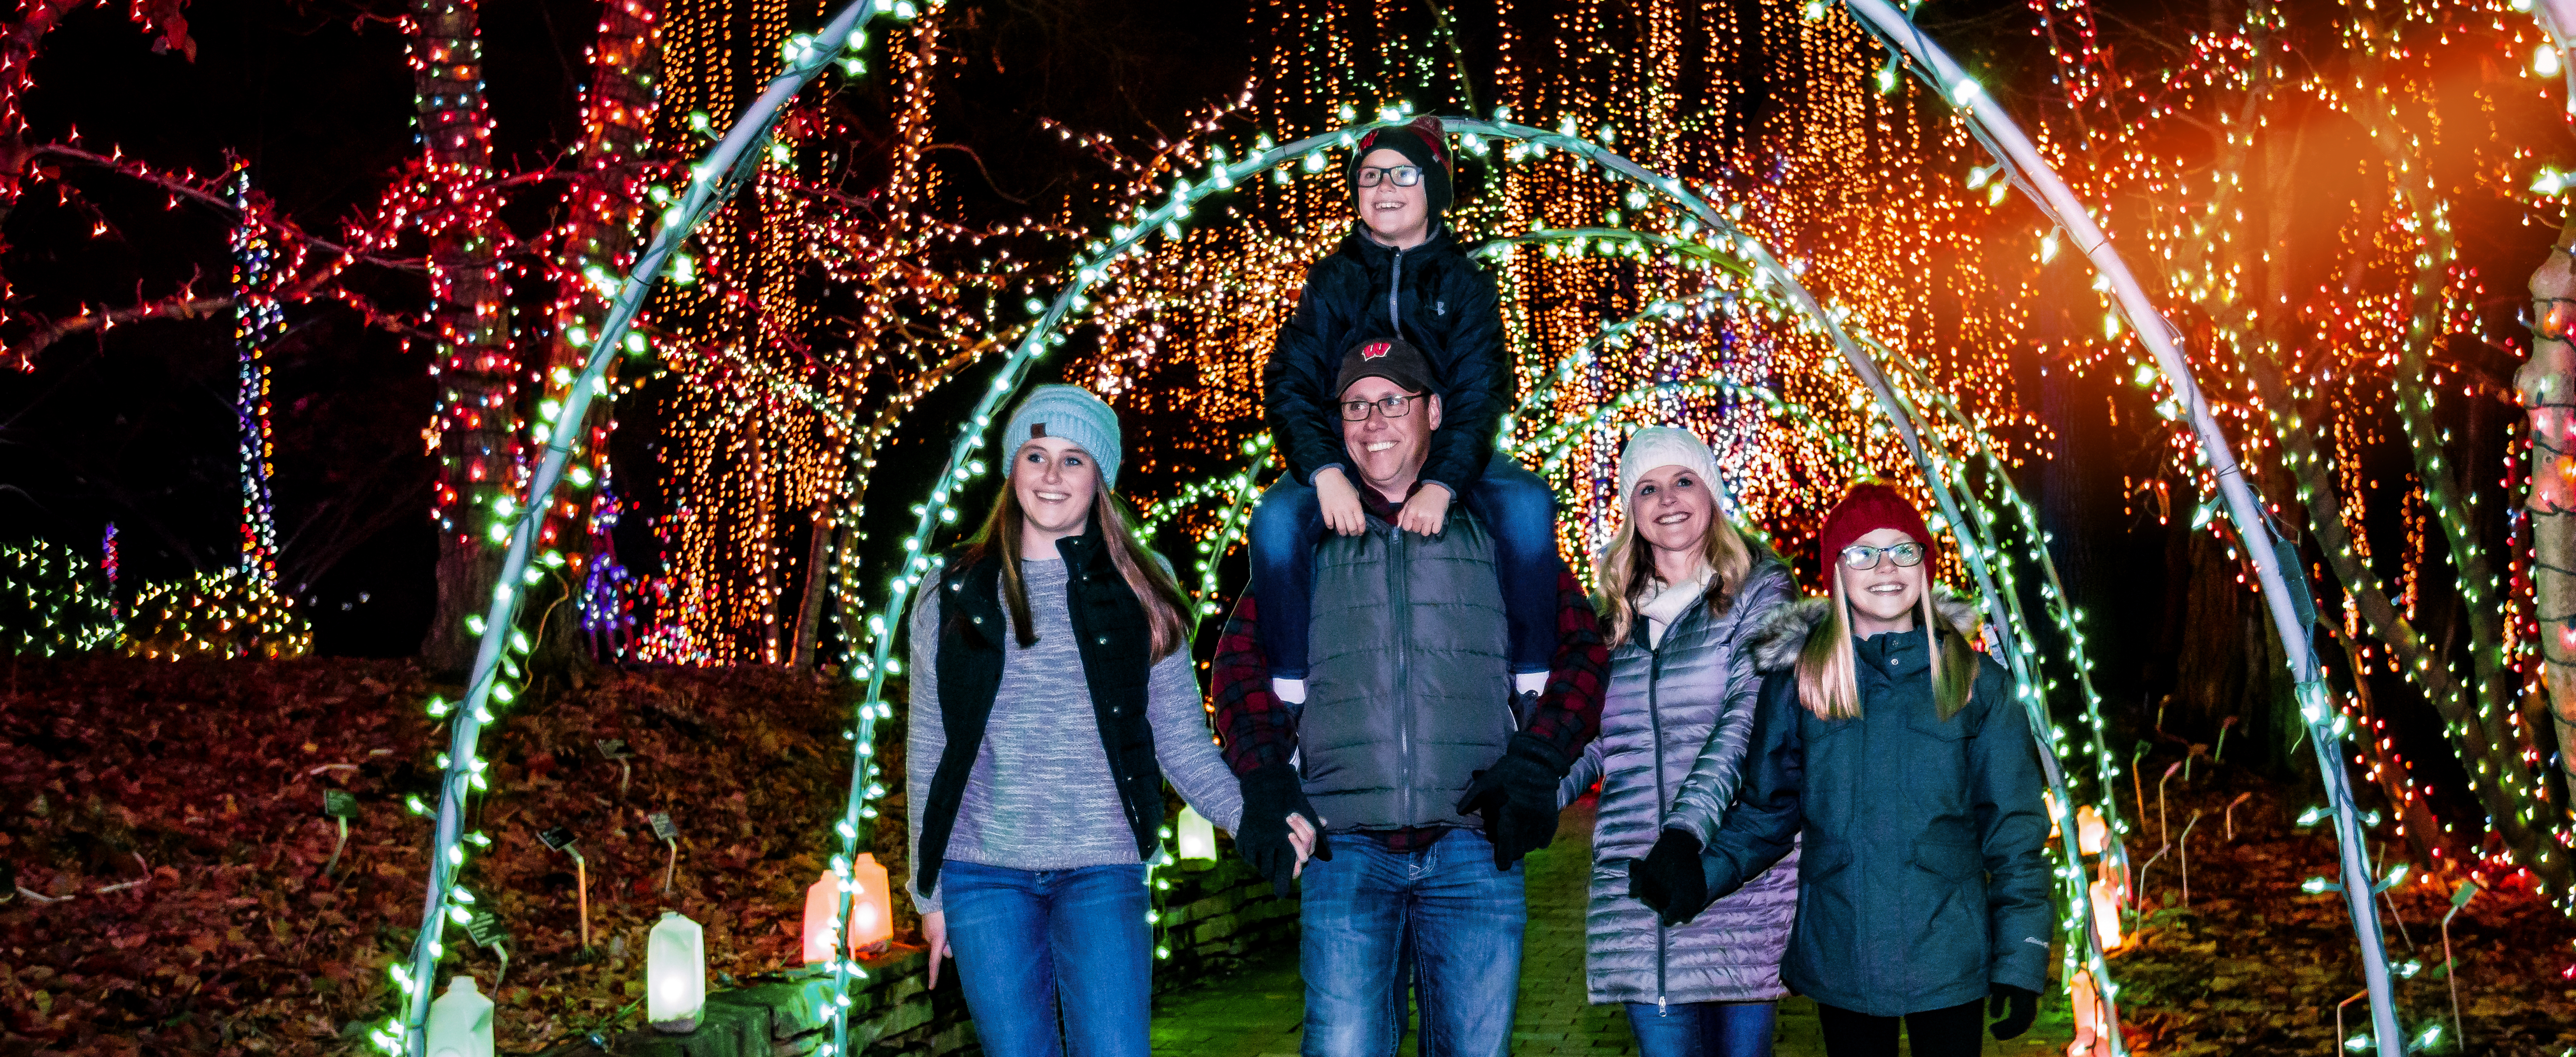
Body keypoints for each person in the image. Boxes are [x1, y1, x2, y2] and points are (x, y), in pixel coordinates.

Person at [1212, 337, 1610, 1057]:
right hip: (1344, 849)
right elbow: (1240, 667)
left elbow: (1582, 655)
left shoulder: (1497, 534)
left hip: (1473, 844)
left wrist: (1537, 764)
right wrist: (1268, 780)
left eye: (1393, 401)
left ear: (1434, 412)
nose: (1374, 422)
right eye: (1356, 406)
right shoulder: (1306, 544)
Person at [1631, 482, 2053, 1057]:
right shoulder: (1801, 684)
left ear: (1925, 563)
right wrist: (1698, 877)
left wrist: (2021, 958)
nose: (1886, 567)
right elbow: (1767, 813)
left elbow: (2015, 836)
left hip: (1949, 956)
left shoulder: (1978, 686)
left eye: (1903, 550)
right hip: (1844, 953)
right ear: (1836, 571)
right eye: (1863, 552)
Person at [905, 385, 1245, 1057]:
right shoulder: (952, 588)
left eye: (1074, 459)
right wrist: (930, 894)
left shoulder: (1142, 585)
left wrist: (1252, 819)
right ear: (1012, 469)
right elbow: (929, 747)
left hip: (1103, 868)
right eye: (1036, 456)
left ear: (1100, 478)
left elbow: (1180, 740)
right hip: (983, 874)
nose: (1052, 476)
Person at [1251, 115, 1559, 715]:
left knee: (1527, 507)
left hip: (1449, 450)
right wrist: (1324, 471)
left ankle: (1531, 680)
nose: (1384, 187)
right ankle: (1290, 692)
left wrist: (1443, 481)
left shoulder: (1465, 283)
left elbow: (1481, 390)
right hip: (1350, 448)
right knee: (1275, 522)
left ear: (1434, 188)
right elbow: (1291, 381)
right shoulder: (1333, 280)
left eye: (1402, 174)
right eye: (1370, 176)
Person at [1557, 427, 1796, 1057]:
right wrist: (1535, 794)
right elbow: (1596, 736)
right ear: (1630, 511)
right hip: (1642, 890)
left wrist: (1686, 832)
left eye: (1684, 481)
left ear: (1711, 492)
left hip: (1733, 882)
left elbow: (1747, 719)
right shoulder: (1612, 618)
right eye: (1648, 488)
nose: (1668, 499)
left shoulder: (1761, 591)